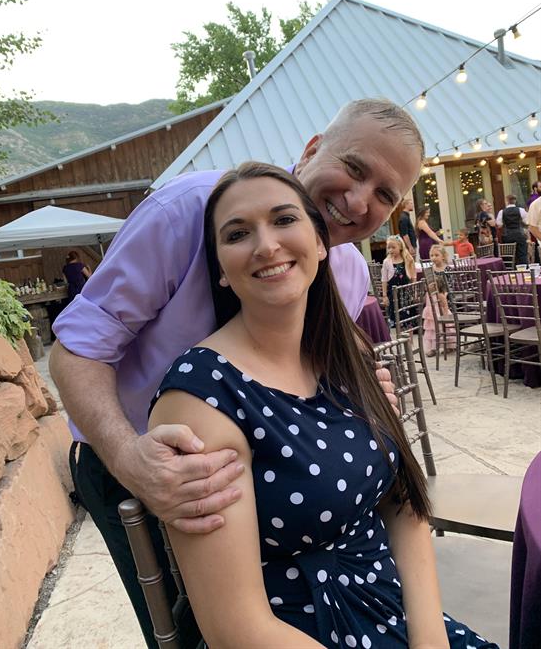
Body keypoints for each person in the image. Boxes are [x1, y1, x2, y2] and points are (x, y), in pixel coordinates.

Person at [49, 98, 425, 645]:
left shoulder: (346, 269)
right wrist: (130, 458)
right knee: (189, 631)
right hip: (146, 460)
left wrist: (361, 395)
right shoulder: (186, 211)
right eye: (354, 168)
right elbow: (77, 350)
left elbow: (314, 367)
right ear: (311, 150)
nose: (357, 201)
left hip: (281, 484)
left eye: (385, 195)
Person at [150, 162, 498, 648]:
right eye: (238, 234)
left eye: (284, 219)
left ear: (319, 243)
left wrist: (430, 638)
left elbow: (403, 502)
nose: (266, 245)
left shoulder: (345, 352)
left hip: (392, 610)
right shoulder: (203, 397)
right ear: (221, 270)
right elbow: (235, 629)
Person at [422, 245, 456, 357]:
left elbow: (450, 285)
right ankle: (433, 347)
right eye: (431, 255)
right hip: (432, 299)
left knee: (445, 320)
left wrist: (442, 297)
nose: (433, 257)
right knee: (432, 324)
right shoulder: (430, 270)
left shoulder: (447, 269)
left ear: (443, 256)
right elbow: (427, 285)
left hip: (445, 296)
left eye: (436, 255)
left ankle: (449, 344)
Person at [381, 235, 416, 327]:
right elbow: (384, 279)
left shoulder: (407, 259)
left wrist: (414, 291)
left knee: (408, 320)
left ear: (400, 247)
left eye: (393, 247)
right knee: (396, 319)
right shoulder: (387, 262)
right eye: (389, 248)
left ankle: (410, 336)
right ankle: (400, 334)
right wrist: (384, 295)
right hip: (393, 295)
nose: (391, 250)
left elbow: (413, 277)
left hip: (406, 294)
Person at [496, 194, 528, 265]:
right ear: (515, 201)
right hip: (519, 234)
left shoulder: (502, 212)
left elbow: (499, 224)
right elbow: (527, 221)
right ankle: (524, 269)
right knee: (522, 254)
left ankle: (510, 270)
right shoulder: (521, 210)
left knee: (509, 256)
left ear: (506, 201)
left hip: (507, 235)